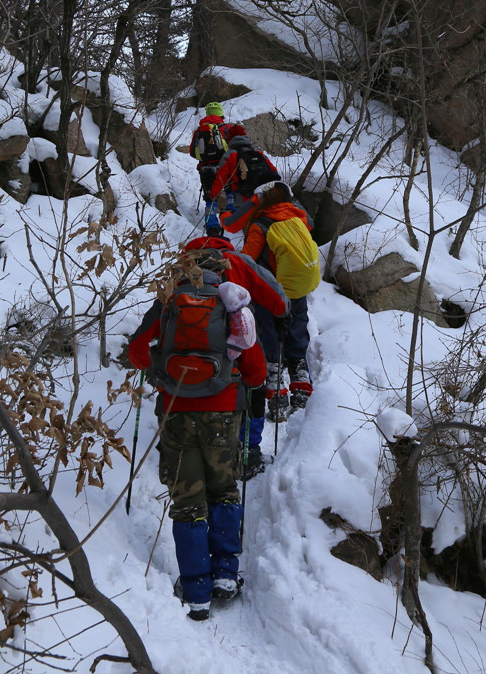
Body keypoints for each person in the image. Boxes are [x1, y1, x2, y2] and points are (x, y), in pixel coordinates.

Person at [127, 236, 289, 620]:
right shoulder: (232, 302)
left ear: (186, 264)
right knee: (224, 490)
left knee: (187, 499)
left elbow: (136, 353)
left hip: (177, 412)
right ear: (220, 266)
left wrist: (159, 366)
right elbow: (256, 371)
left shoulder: (167, 301)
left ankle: (197, 591)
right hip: (222, 412)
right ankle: (226, 577)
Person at [221, 181, 318, 421]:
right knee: (297, 324)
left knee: (269, 330)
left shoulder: (261, 225)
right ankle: (300, 376)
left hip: (274, 289)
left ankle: (275, 379)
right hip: (299, 285)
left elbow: (247, 260)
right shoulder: (300, 217)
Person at [188, 104, 240, 233]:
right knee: (229, 192)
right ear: (220, 114)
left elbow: (192, 153)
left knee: (210, 198)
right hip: (225, 166)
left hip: (206, 169)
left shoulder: (199, 131)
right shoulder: (227, 128)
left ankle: (211, 227)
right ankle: (230, 221)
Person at [210, 132, 279, 211]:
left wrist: (214, 194)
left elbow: (221, 177)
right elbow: (274, 171)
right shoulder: (259, 153)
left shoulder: (230, 155)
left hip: (241, 194)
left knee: (242, 216)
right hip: (262, 192)